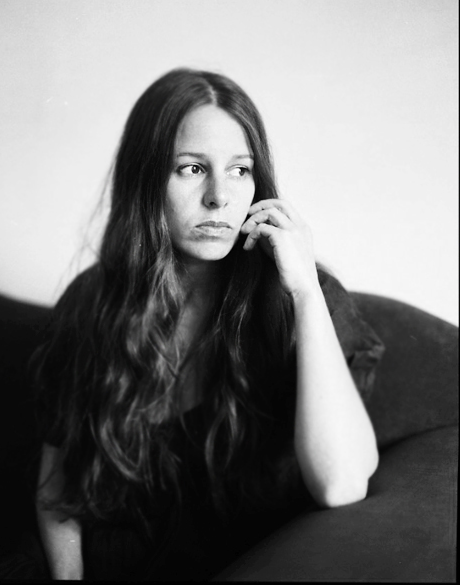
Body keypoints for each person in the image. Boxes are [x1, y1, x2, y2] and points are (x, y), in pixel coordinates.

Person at [28, 67, 384, 581]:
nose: (220, 196)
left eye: (240, 170)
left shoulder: (303, 299)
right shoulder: (92, 302)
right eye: (192, 168)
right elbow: (59, 482)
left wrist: (306, 292)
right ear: (146, 179)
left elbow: (341, 484)